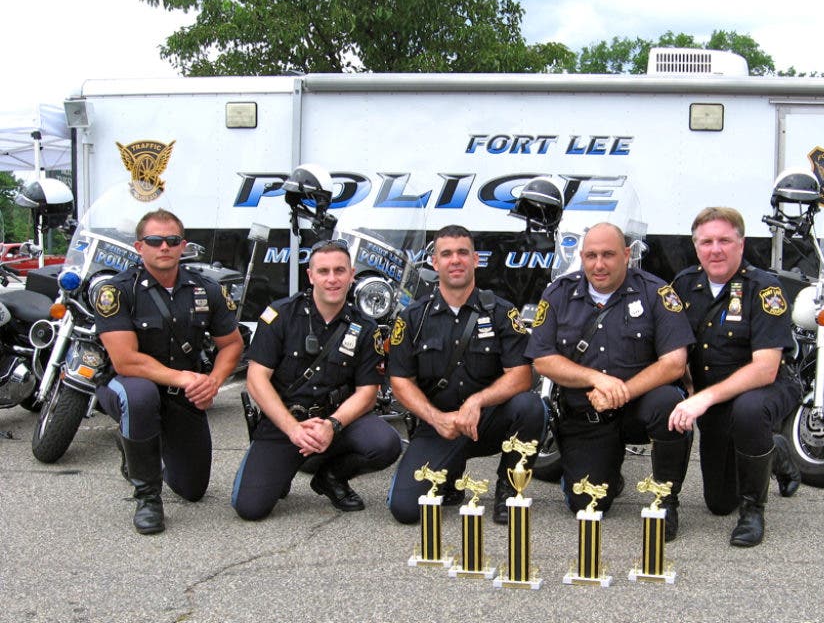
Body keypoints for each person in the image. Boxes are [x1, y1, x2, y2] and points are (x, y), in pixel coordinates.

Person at [526, 222, 693, 540]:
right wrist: (596, 379)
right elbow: (542, 359)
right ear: (581, 256)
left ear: (627, 255)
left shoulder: (656, 292)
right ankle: (605, 474)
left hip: (638, 409)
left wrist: (623, 390)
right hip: (587, 415)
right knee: (587, 505)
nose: (598, 264)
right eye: (591, 256)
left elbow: (674, 363)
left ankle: (666, 501)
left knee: (671, 405)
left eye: (608, 255)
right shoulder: (559, 293)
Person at [95, 209, 244, 535]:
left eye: (172, 240)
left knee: (192, 490)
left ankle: (138, 449)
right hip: (127, 386)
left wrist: (212, 383)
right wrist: (186, 378)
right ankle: (147, 497)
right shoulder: (117, 292)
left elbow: (232, 345)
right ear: (139, 246)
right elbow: (125, 361)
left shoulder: (207, 291)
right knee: (140, 397)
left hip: (183, 394)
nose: (164, 246)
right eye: (154, 240)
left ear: (183, 246)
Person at [231, 239, 402, 520]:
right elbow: (256, 380)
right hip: (285, 422)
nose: (332, 279)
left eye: (339, 270)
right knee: (250, 508)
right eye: (323, 271)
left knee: (385, 444)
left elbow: (368, 392)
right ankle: (285, 464)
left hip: (337, 423)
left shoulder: (366, 328)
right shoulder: (280, 315)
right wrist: (293, 430)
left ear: (351, 274)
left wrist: (332, 425)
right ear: (310, 276)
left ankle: (330, 476)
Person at [387, 225, 544, 525]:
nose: (455, 260)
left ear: (475, 260)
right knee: (405, 510)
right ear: (434, 262)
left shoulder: (501, 312)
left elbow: (522, 376)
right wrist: (436, 418)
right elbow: (400, 381)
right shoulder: (412, 318)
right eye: (446, 254)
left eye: (462, 253)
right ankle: (450, 475)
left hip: (485, 423)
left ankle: (509, 491)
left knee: (531, 407)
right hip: (439, 426)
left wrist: (477, 401)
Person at [668, 206, 802, 548]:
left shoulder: (764, 289)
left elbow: (765, 368)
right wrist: (688, 387)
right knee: (717, 503)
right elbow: (673, 348)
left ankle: (753, 511)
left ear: (740, 245)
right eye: (707, 241)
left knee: (750, 412)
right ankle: (776, 451)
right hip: (712, 399)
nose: (716, 249)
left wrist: (704, 397)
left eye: (725, 240)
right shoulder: (684, 285)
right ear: (696, 246)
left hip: (765, 389)